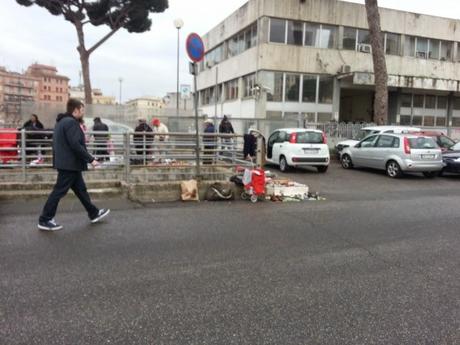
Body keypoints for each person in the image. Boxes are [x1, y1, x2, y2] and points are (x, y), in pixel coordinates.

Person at [37, 99, 110, 231]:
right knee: (59, 191)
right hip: (69, 164)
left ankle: (93, 213)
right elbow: (76, 145)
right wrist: (91, 159)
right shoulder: (71, 123)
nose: (83, 113)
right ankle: (45, 219)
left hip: (69, 164)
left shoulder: (61, 122)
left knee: (81, 190)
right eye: (82, 110)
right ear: (75, 110)